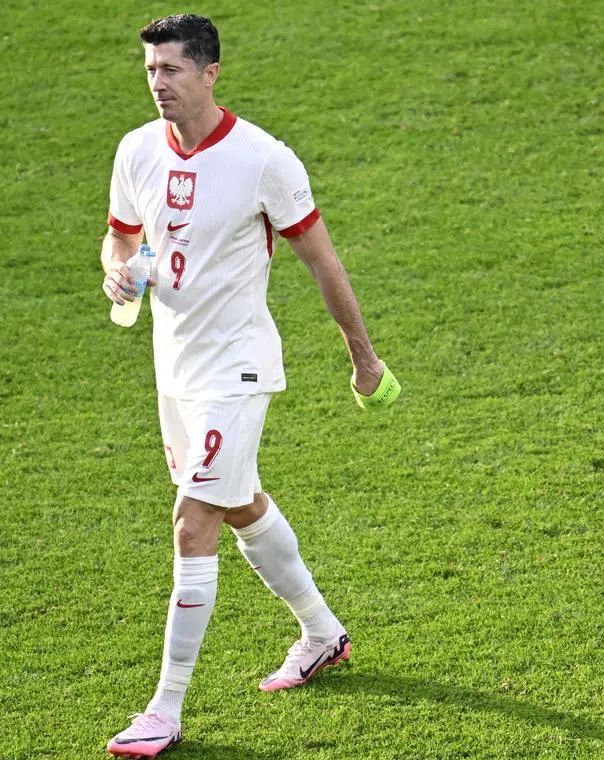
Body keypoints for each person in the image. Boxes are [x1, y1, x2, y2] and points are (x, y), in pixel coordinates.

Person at [99, 14, 400, 757]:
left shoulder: (263, 159)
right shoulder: (136, 149)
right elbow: (122, 235)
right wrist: (117, 267)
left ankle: (165, 709)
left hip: (238, 366)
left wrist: (363, 358)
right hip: (175, 369)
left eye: (171, 69)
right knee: (238, 502)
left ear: (210, 73)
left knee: (192, 520)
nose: (158, 82)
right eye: (150, 69)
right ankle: (323, 633)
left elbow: (322, 261)